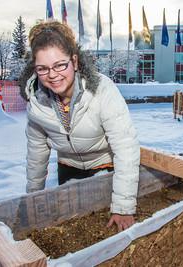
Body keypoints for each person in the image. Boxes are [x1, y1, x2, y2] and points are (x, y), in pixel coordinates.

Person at [19, 21, 140, 231]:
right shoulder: (36, 104)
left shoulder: (102, 90)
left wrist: (123, 207)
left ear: (74, 61)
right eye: (43, 69)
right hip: (68, 169)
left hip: (107, 168)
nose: (53, 74)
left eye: (60, 65)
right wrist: (33, 200)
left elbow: (125, 148)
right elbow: (36, 154)